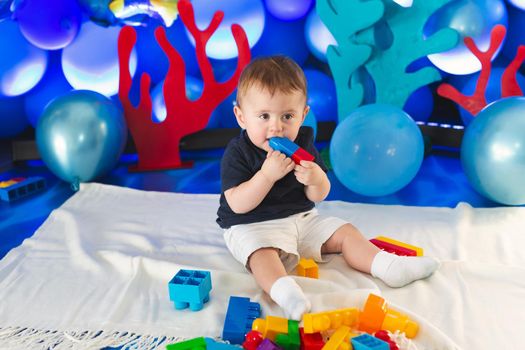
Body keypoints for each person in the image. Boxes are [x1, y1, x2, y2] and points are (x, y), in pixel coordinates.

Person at [216, 56, 439, 321]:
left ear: (303, 115)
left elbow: (318, 196)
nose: (276, 126)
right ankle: (285, 292)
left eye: (287, 116)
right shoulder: (239, 152)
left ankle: (388, 266)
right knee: (260, 254)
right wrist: (266, 175)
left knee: (345, 232)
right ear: (241, 117)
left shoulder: (302, 145)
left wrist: (315, 178)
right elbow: (238, 204)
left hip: (301, 219)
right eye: (264, 116)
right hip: (252, 224)